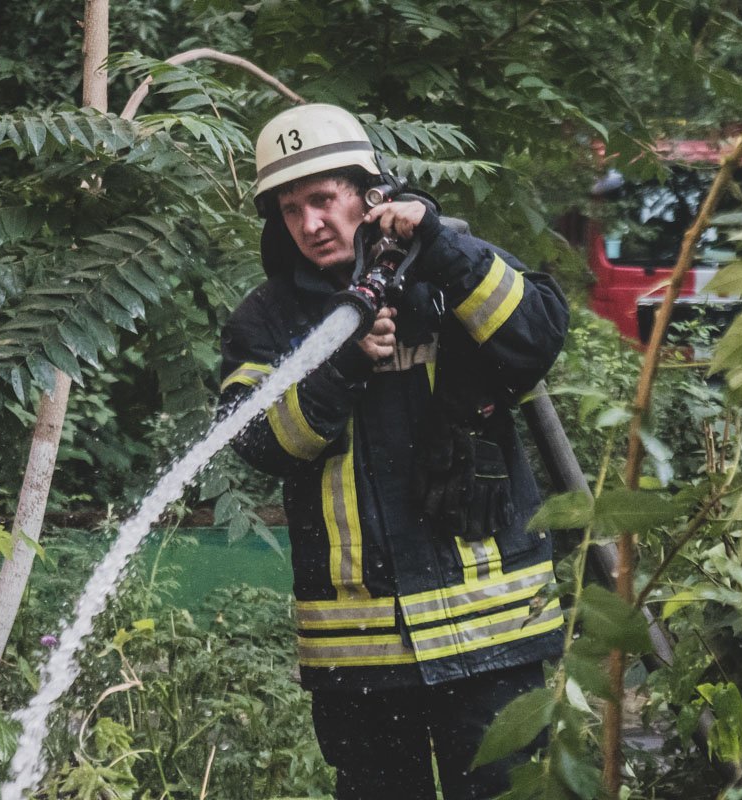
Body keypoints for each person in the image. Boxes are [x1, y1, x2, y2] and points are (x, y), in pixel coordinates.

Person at [218, 103, 570, 800]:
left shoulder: (452, 267)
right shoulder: (268, 320)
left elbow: (535, 338)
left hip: (492, 635)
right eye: (291, 209)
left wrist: (442, 247)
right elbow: (260, 443)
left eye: (323, 199)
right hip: (358, 655)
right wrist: (338, 367)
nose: (310, 224)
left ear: (370, 194)